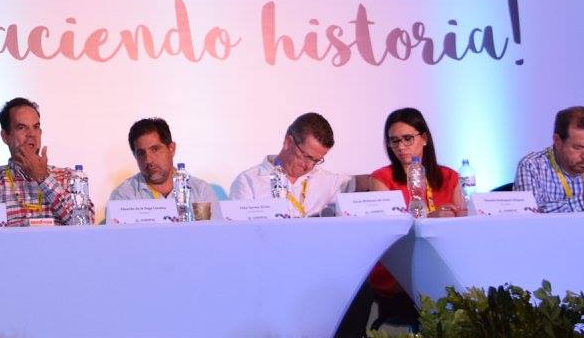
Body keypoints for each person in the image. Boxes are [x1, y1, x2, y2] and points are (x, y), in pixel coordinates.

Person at [366, 107, 465, 327]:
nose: (401, 147)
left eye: (407, 139)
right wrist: (432, 218)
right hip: (401, 269)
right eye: (394, 141)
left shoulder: (449, 176)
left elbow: (462, 222)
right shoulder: (382, 178)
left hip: (444, 259)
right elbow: (390, 232)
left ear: (424, 138)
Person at [229, 111, 385, 216]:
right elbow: (240, 234)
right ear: (288, 142)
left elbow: (368, 180)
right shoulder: (248, 182)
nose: (309, 166)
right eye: (306, 156)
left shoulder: (324, 179)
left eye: (316, 160)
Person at [0, 96, 94, 225]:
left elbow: (86, 223)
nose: (31, 134)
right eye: (22, 127)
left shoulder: (68, 178)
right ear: (5, 136)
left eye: (36, 127)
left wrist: (43, 178)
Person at [108, 116, 217, 207]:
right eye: (141, 153)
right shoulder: (123, 196)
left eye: (155, 149)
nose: (148, 160)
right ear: (134, 155)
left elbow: (216, 227)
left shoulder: (200, 192)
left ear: (171, 149)